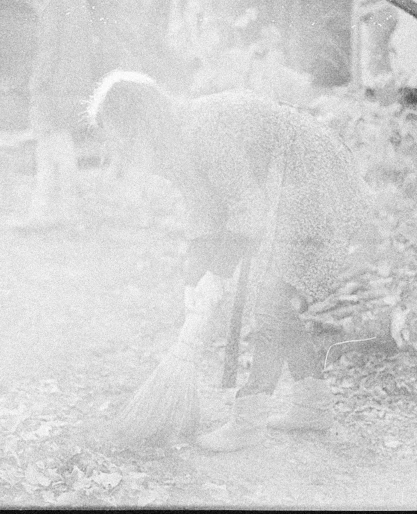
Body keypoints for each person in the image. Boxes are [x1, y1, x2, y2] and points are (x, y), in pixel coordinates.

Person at [89, 71, 371, 452]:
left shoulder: (204, 130)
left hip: (312, 176)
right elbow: (203, 213)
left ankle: (248, 423)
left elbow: (247, 211)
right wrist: (195, 280)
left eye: (120, 131)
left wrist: (217, 274)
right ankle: (313, 405)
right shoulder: (173, 144)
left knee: (270, 301)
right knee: (275, 302)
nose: (117, 142)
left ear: (139, 120)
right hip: (284, 181)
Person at [9, 0, 95, 229]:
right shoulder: (78, 0)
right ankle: (44, 213)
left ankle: (68, 215)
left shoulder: (55, 3)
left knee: (55, 147)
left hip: (53, 89)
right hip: (73, 86)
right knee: (49, 150)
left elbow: (49, 50)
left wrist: (37, 83)